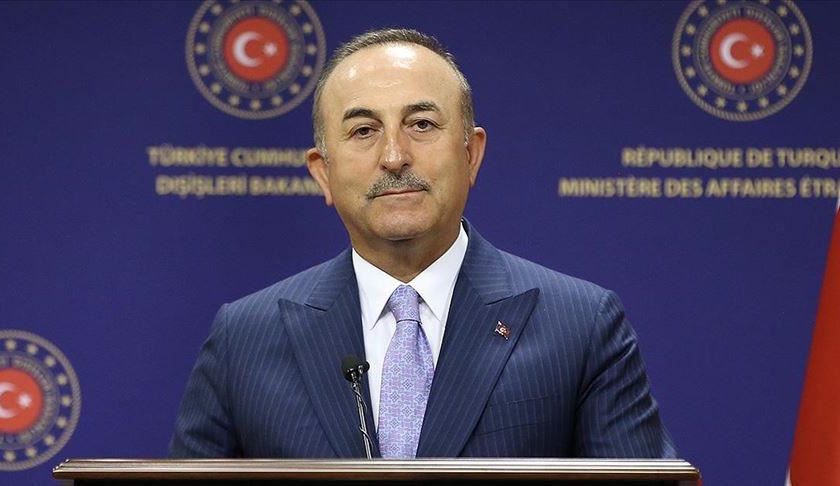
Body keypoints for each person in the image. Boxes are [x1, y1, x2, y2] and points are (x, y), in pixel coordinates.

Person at [170, 28, 676, 459]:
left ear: (471, 154)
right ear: (322, 173)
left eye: (422, 124)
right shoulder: (244, 338)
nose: (394, 156)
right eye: (363, 130)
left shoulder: (582, 326)